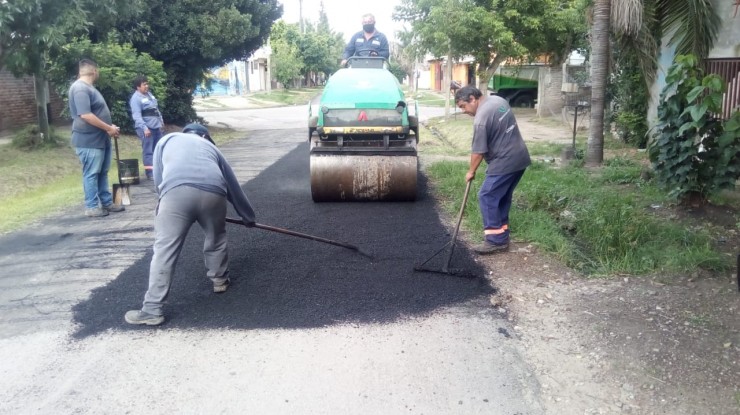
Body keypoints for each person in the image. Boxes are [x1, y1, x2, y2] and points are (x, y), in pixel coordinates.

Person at [125, 124, 256, 326]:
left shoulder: (166, 140)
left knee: (165, 249)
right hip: (214, 192)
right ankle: (220, 280)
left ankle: (152, 310)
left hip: (176, 192)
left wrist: (165, 202)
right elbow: (232, 185)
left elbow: (159, 178)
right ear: (205, 136)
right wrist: (247, 216)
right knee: (216, 236)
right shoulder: (212, 148)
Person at [454, 85, 531, 254]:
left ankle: (495, 241)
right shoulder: (498, 100)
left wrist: (471, 171)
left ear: (473, 99)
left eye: (463, 106)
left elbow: (478, 151)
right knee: (501, 196)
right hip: (520, 158)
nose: (463, 111)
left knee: (487, 195)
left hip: (505, 161)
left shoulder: (481, 118)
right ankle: (502, 236)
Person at [68, 58, 125, 217]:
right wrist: (108, 128)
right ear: (94, 71)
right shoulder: (80, 89)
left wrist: (110, 128)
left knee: (102, 172)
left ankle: (106, 202)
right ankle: (92, 207)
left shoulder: (89, 88)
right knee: (92, 173)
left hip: (100, 138)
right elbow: (86, 115)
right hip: (88, 140)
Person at [129, 75, 165, 180]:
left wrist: (161, 122)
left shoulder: (149, 95)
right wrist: (145, 128)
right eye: (144, 84)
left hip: (156, 126)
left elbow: (156, 110)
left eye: (147, 83)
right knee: (148, 151)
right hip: (146, 128)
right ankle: (150, 173)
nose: (147, 86)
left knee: (158, 149)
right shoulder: (135, 98)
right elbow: (136, 116)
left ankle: (159, 171)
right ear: (138, 87)